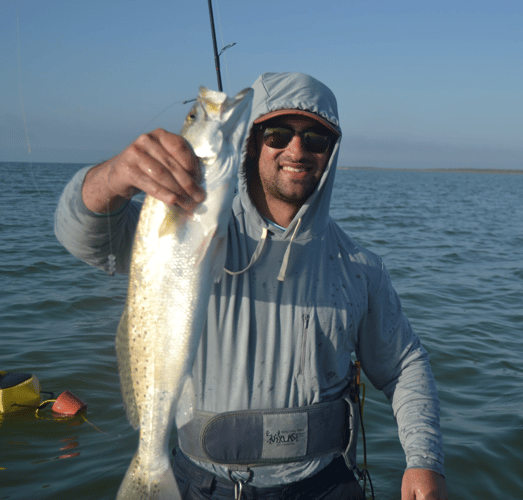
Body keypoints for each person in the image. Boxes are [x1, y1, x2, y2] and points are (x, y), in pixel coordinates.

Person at [55, 72, 448, 499]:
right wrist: (112, 178)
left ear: (331, 153)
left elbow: (405, 364)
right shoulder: (186, 224)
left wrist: (424, 461)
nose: (296, 150)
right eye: (278, 134)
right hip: (206, 484)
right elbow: (84, 236)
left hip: (325, 483)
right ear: (252, 141)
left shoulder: (361, 268)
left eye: (316, 139)